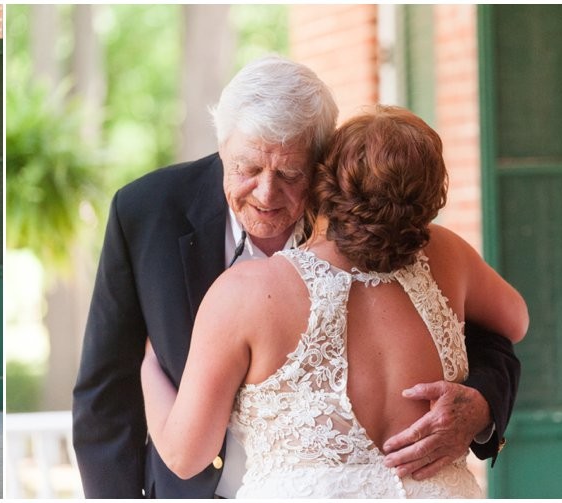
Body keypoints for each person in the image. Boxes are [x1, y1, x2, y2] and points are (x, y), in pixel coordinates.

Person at [72, 56, 520, 498]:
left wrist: (482, 404)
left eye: (289, 173)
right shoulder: (145, 211)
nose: (266, 193)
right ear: (222, 145)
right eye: (247, 168)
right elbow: (104, 398)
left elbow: (491, 337)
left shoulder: (397, 237)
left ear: (324, 162)